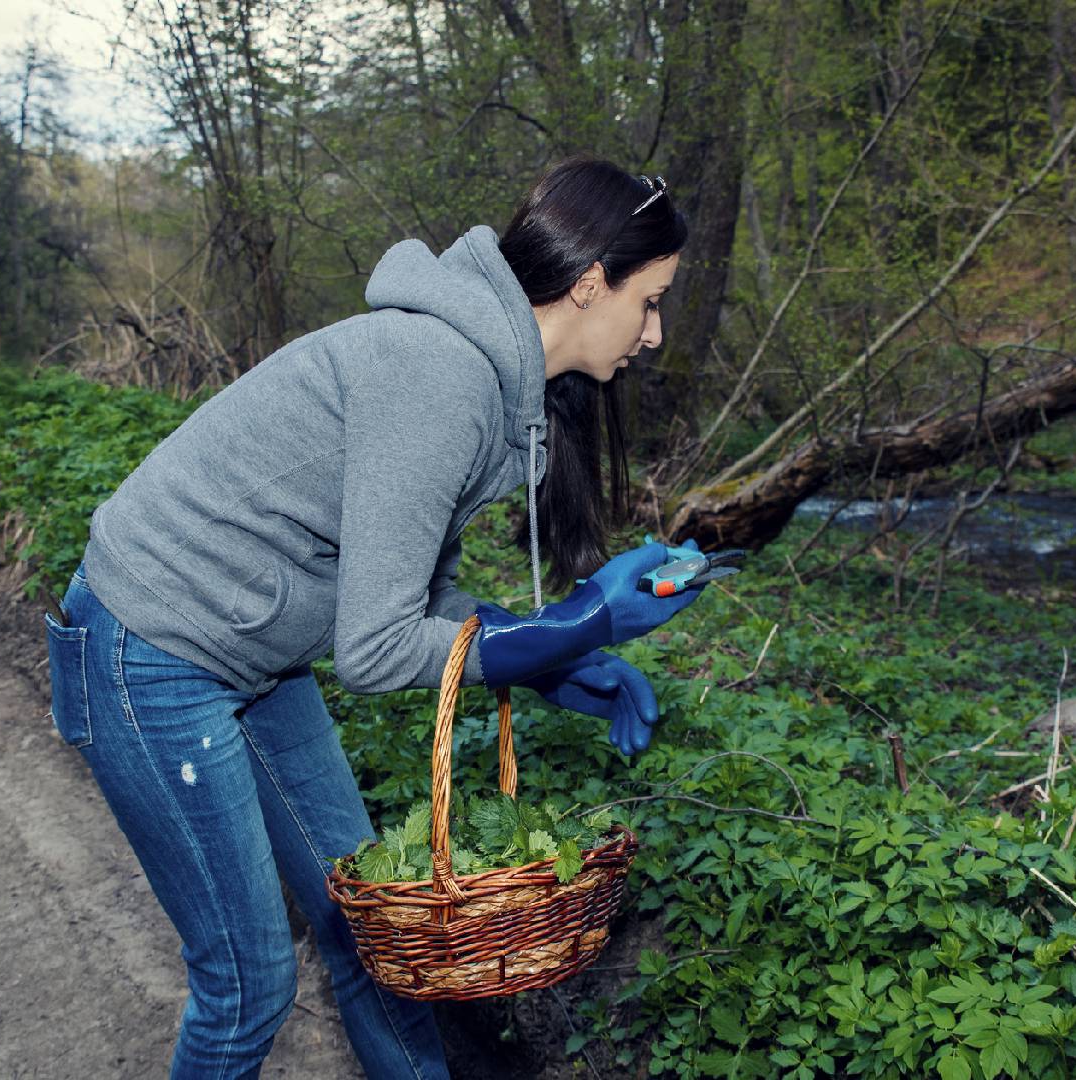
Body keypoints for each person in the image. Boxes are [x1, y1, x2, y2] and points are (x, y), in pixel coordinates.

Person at [43, 159, 697, 1079]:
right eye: (652, 301)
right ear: (592, 286)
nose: (656, 334)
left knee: (375, 926)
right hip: (147, 645)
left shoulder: (498, 389)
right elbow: (379, 649)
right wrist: (582, 623)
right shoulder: (440, 375)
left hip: (249, 648)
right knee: (249, 986)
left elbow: (419, 598)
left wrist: (550, 661)